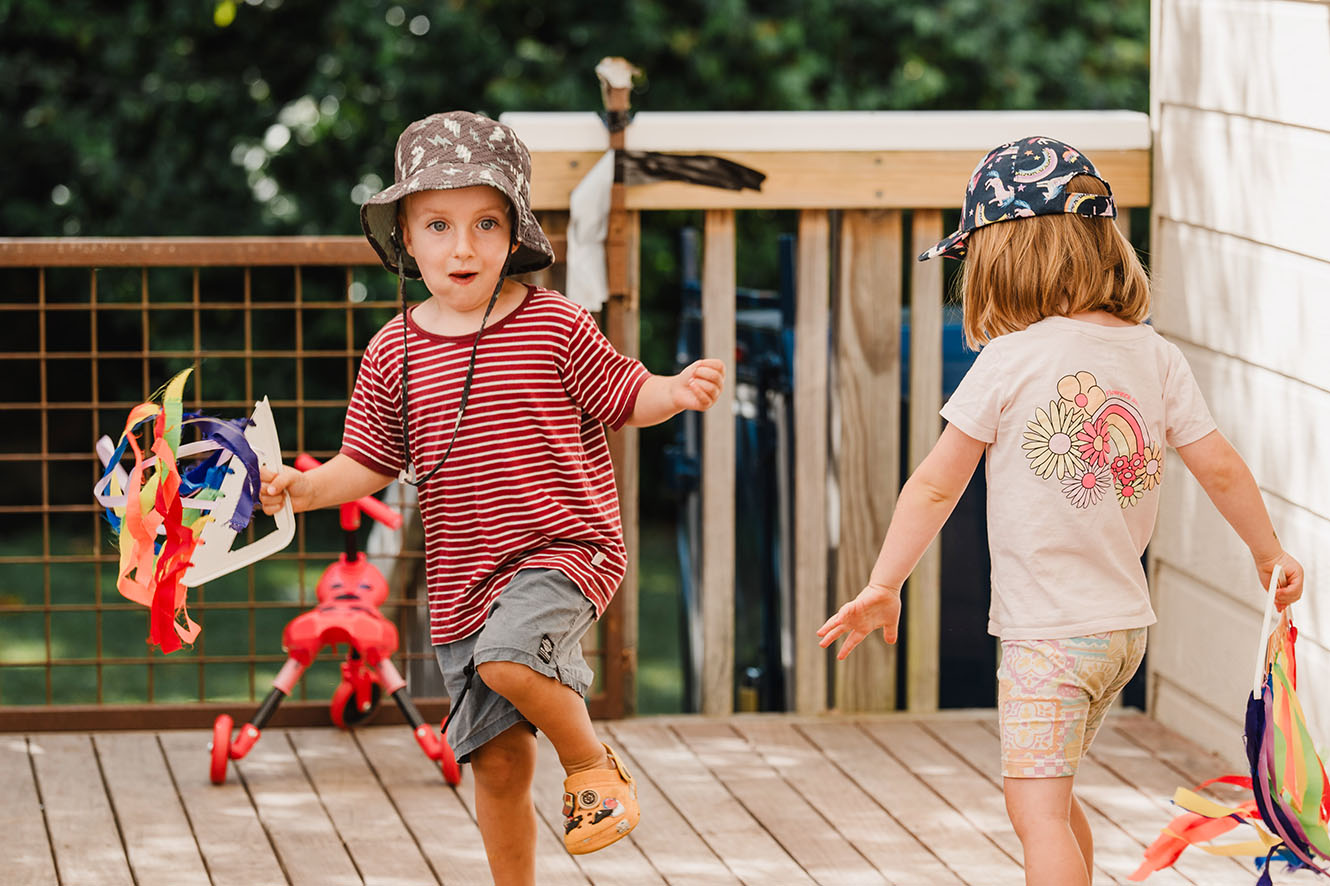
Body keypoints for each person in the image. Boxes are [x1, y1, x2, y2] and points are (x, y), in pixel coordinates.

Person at [816, 135, 1304, 886]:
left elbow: (935, 486)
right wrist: (1268, 553)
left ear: (1004, 257)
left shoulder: (1009, 361)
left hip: (1049, 636)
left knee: (1033, 813)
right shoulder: (1152, 353)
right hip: (1119, 632)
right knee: (1054, 797)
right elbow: (1219, 466)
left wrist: (885, 582)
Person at [258, 111, 725, 883]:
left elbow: (623, 391)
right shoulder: (393, 351)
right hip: (463, 581)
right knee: (498, 764)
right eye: (438, 224)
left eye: (484, 223)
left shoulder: (554, 325)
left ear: (514, 234)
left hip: (566, 549)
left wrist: (671, 391)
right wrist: (302, 488)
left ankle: (592, 767)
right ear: (405, 238)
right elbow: (367, 462)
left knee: (512, 662)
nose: (462, 246)